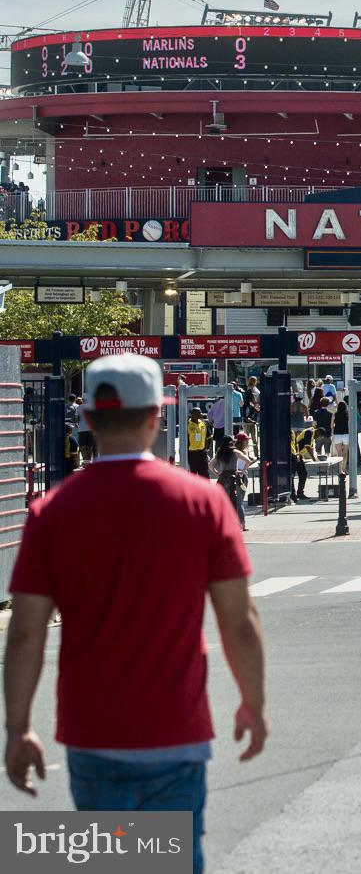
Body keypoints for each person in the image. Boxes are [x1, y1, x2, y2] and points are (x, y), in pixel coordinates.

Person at [4, 353, 266, 873]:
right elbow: (239, 621)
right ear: (155, 417)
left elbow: (26, 633)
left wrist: (18, 728)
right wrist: (252, 704)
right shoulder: (204, 503)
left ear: (88, 421)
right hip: (177, 733)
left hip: (92, 735)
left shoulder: (51, 513)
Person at [210, 432, 251, 531]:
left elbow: (210, 465)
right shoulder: (235, 452)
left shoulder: (219, 453)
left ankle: (223, 523)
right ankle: (240, 524)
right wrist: (242, 471)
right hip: (233, 477)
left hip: (223, 478)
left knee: (222, 501)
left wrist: (217, 473)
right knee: (236, 501)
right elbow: (248, 461)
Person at [186, 405, 211, 478]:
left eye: (200, 413)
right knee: (192, 474)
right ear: (192, 414)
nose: (201, 414)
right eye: (198, 413)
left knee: (205, 474)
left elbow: (209, 437)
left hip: (202, 453)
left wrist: (207, 449)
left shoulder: (203, 424)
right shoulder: (187, 424)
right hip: (191, 453)